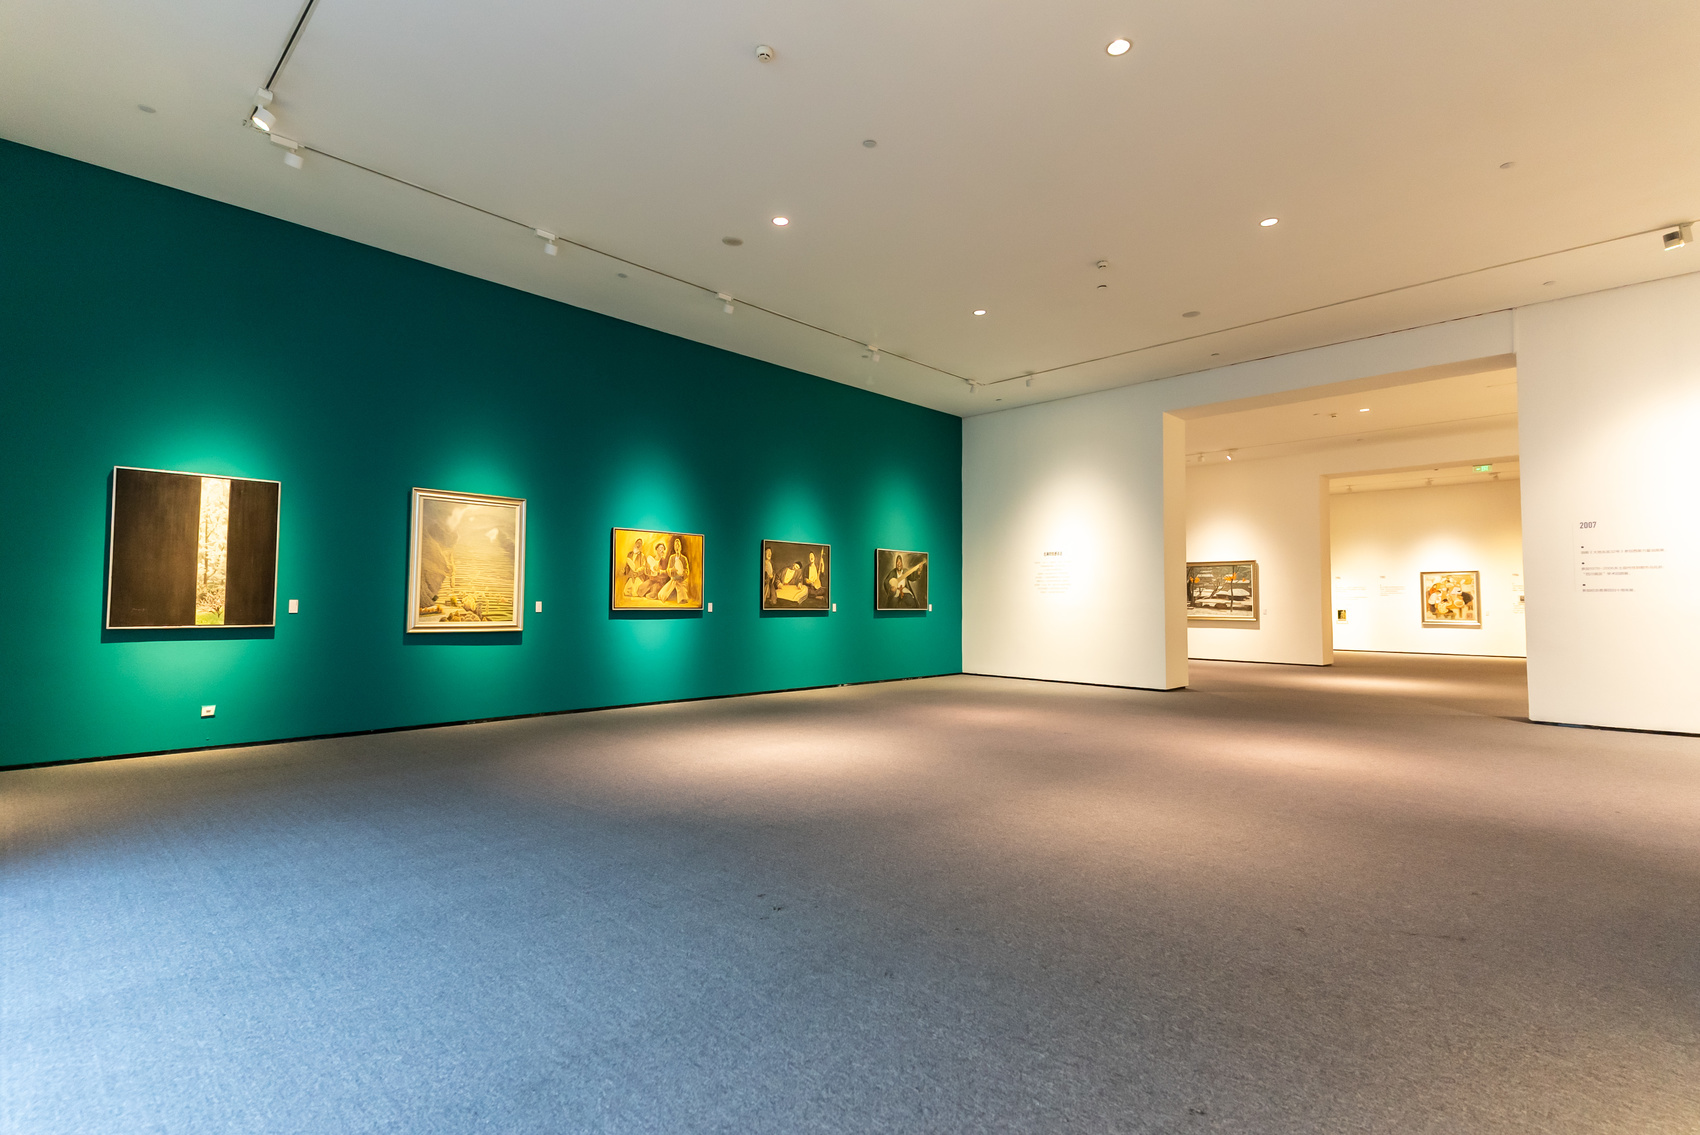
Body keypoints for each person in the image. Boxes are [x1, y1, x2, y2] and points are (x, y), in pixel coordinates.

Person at [658, 536, 691, 605]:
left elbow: (687, 570)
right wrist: (672, 570)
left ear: (681, 547)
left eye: (678, 546)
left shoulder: (684, 558)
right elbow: (668, 569)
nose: (677, 547)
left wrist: (682, 574)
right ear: (674, 547)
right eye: (676, 546)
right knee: (662, 594)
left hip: (681, 581)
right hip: (673, 580)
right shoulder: (672, 557)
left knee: (682, 596)